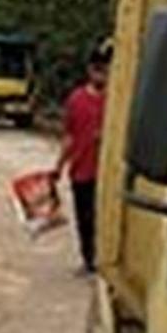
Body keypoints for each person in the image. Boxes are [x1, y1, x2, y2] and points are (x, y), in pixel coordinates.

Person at [57, 42, 111, 272]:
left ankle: (103, 258)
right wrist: (58, 167)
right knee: (85, 218)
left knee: (103, 218)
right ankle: (89, 259)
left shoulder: (115, 100)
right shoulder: (76, 99)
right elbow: (69, 136)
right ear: (90, 71)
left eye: (104, 69)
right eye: (97, 69)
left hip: (108, 171)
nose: (101, 74)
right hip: (82, 168)